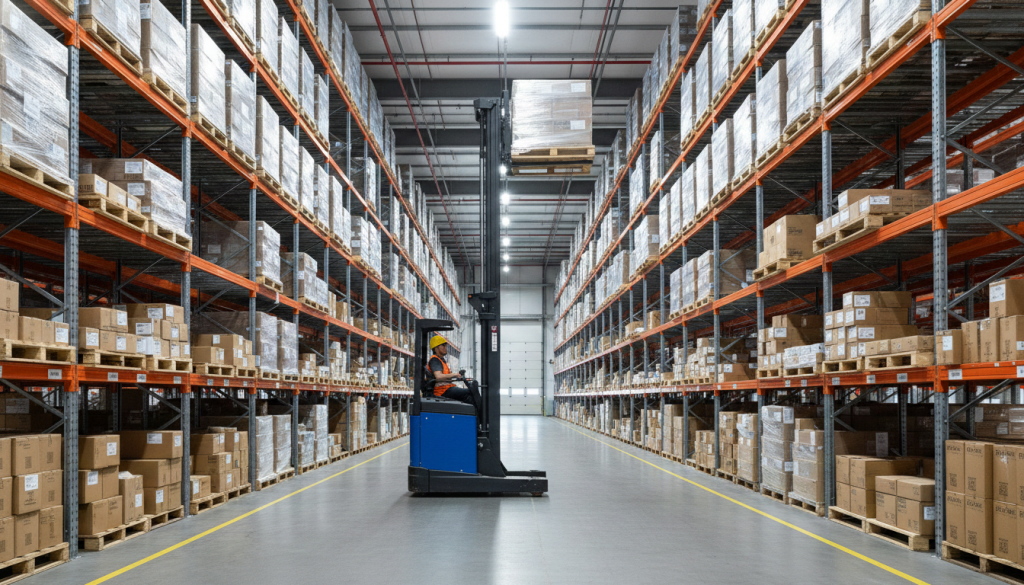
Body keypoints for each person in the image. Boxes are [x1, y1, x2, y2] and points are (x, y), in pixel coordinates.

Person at [428, 335, 478, 409]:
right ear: (436, 348)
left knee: (471, 392)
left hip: (446, 388)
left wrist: (458, 378)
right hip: (442, 391)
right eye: (443, 346)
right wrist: (454, 375)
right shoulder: (435, 360)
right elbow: (438, 377)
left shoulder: (441, 360)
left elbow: (445, 377)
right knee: (470, 393)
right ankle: (475, 416)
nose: (446, 348)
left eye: (446, 346)